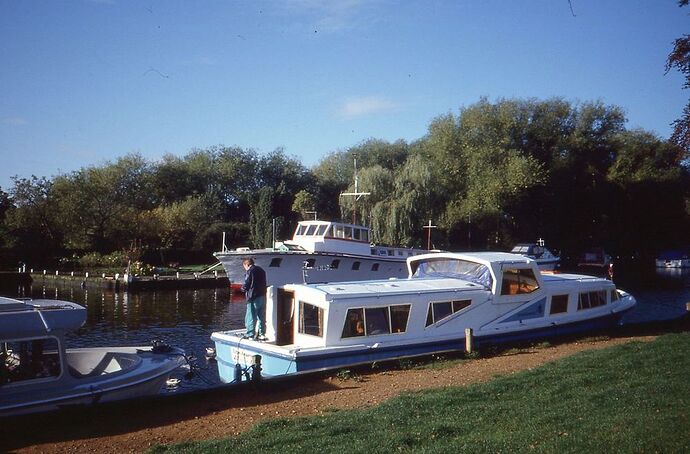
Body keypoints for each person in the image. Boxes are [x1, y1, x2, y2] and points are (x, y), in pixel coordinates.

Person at [241, 258, 267, 340]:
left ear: (246, 265)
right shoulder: (261, 270)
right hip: (262, 295)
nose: (245, 269)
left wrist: (243, 288)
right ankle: (261, 334)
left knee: (251, 316)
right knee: (261, 316)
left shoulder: (250, 271)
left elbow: (247, 283)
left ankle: (250, 334)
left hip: (253, 296)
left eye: (244, 267)